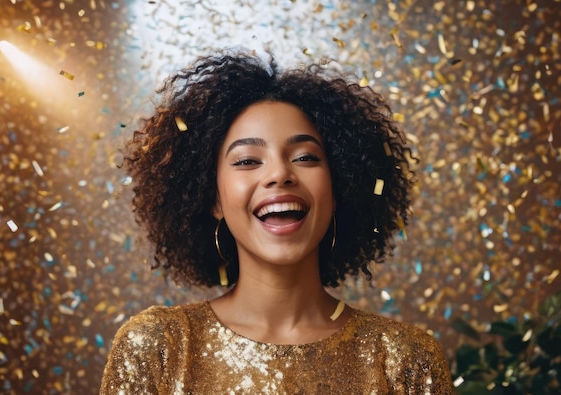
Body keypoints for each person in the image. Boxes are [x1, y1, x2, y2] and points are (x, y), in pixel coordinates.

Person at [100, 51, 455, 394]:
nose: (280, 173)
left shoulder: (406, 360)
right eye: (246, 161)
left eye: (304, 157)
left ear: (339, 189)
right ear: (213, 199)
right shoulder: (157, 349)